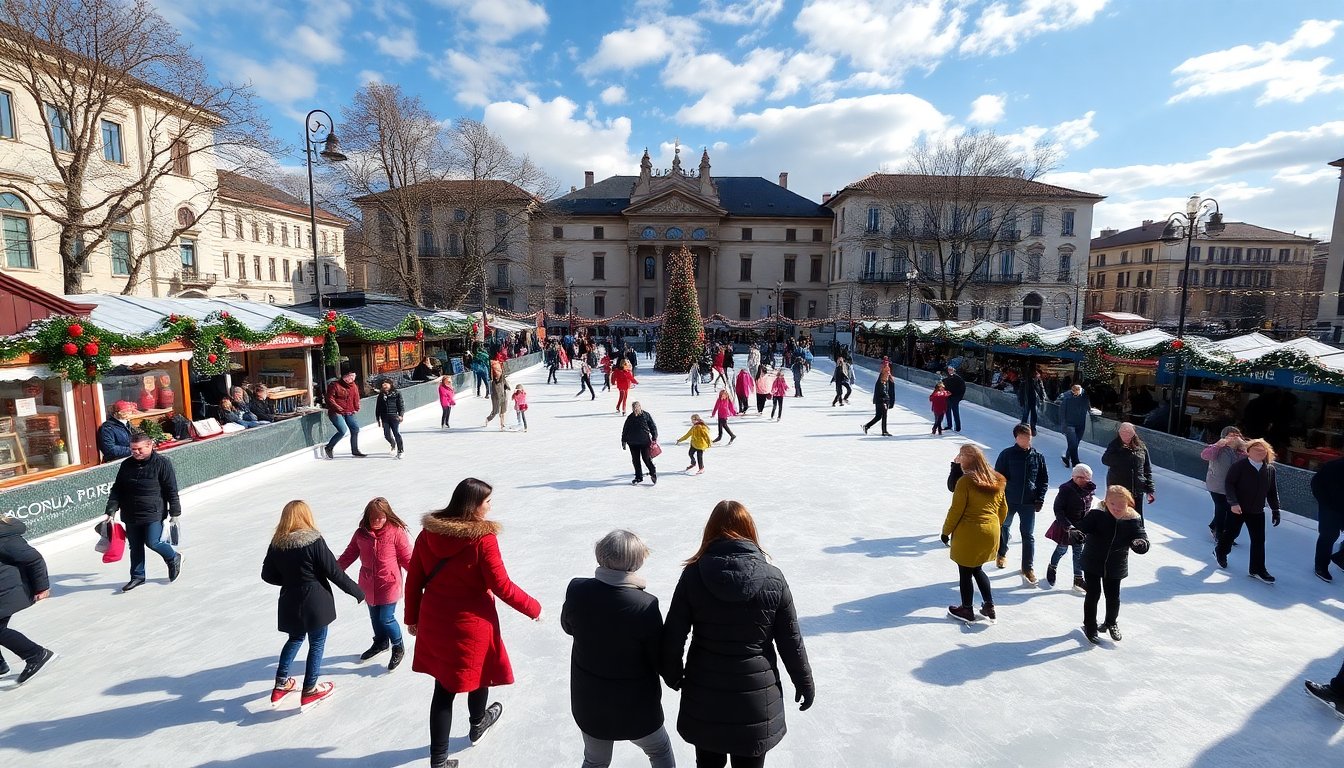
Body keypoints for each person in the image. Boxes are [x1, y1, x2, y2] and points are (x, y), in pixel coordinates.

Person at [661, 501, 814, 767]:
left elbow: (673, 635)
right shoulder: (773, 578)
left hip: (705, 698)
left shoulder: (693, 576)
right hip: (755, 700)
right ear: (750, 530)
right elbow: (791, 641)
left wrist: (673, 674)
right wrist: (804, 681)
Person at [405, 478, 541, 768]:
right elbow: (501, 585)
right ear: (474, 505)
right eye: (487, 501)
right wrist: (533, 607)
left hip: (434, 619)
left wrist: (411, 617)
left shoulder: (428, 532)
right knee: (480, 673)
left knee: (443, 689)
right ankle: (477, 724)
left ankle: (438, 760)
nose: (491, 506)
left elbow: (414, 579)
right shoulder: (482, 539)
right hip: (470, 624)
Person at [563, 529, 673, 768]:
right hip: (636, 706)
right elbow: (657, 657)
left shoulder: (577, 589)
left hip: (590, 703)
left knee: (595, 761)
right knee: (659, 750)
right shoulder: (645, 604)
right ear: (634, 564)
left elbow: (568, 627)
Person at [261, 500, 365, 710]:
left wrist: (291, 580)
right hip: (315, 601)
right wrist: (357, 591)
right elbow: (333, 572)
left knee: (295, 638)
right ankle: (309, 689)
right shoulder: (314, 541)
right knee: (316, 643)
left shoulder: (277, 544)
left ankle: (281, 684)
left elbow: (267, 575)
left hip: (290, 601)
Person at [337, 497, 412, 671]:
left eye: (381, 517)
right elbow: (349, 555)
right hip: (368, 583)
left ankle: (398, 646)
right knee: (374, 617)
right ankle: (380, 642)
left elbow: (407, 558)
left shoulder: (395, 532)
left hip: (389, 584)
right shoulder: (361, 534)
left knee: (386, 618)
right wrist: (334, 570)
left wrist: (421, 577)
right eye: (373, 517)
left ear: (387, 515)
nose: (377, 520)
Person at [1070, 485, 1150, 644]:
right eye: (1113, 504)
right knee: (1093, 594)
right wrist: (1076, 533)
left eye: (1121, 504)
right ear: (1106, 502)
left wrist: (1140, 543)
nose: (1117, 508)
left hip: (1116, 563)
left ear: (1128, 504)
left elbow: (1141, 536)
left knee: (1113, 596)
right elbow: (1082, 527)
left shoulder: (1133, 520)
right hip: (1093, 561)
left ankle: (1111, 622)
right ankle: (1090, 626)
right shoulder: (1097, 514)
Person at [104, 431, 182, 592]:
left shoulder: (162, 463)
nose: (136, 452)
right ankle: (137, 576)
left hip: (153, 511)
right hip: (130, 512)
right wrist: (111, 509)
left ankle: (173, 557)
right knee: (135, 546)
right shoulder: (126, 464)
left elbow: (171, 489)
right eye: (133, 449)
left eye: (139, 449)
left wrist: (175, 512)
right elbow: (117, 488)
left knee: (153, 542)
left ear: (150, 445)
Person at [941, 445, 1008, 623]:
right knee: (977, 569)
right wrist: (993, 526)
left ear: (966, 460)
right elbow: (1003, 509)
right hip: (992, 531)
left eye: (961, 456)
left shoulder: (965, 482)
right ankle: (989, 606)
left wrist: (945, 531)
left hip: (969, 533)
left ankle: (967, 610)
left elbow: (956, 510)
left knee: (965, 572)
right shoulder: (997, 479)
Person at [1216, 438, 1281, 583]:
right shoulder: (1239, 466)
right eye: (1256, 449)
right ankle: (1220, 551)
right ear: (1248, 451)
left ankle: (1257, 569)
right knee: (1232, 533)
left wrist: (1276, 509)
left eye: (1262, 449)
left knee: (1259, 540)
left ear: (1267, 452)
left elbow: (1272, 491)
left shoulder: (1269, 470)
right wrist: (1233, 503)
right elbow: (1229, 484)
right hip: (1238, 508)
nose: (1259, 451)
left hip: (1257, 511)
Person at [0, 514, 54, 686]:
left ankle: (36, 654)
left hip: (7, 587)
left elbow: (33, 559)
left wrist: (42, 587)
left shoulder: (3, 536)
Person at [994, 424, 1049, 585]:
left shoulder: (1037, 457)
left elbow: (1043, 479)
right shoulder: (1007, 454)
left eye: (1029, 437)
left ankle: (1027, 567)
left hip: (1028, 503)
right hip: (1009, 500)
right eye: (1023, 437)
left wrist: (1040, 498)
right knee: (1004, 526)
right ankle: (1002, 553)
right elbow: (998, 478)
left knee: (1028, 535)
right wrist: (999, 497)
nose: (1027, 440)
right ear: (1016, 437)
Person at [1048, 463, 1095, 592]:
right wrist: (1068, 526)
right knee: (1061, 549)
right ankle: (1052, 567)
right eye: (1084, 478)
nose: (1087, 481)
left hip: (1080, 528)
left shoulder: (1089, 489)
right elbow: (1058, 509)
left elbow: (1087, 508)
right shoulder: (1066, 489)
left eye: (1088, 478)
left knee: (1078, 553)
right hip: (1066, 526)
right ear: (1076, 477)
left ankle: (1078, 579)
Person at [1102, 422, 1155, 519]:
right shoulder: (1114, 445)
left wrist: (1149, 489)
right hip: (1119, 488)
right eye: (1122, 431)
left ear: (1133, 433)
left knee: (1136, 517)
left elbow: (1147, 468)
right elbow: (1105, 460)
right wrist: (1122, 453)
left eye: (1128, 432)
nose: (1125, 434)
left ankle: (1137, 534)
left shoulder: (1141, 447)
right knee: (1117, 516)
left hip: (1137, 488)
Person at [1202, 426, 1246, 543]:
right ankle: (1219, 533)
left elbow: (1252, 460)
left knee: (1229, 509)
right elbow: (1205, 455)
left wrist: (1245, 447)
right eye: (1230, 436)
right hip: (1216, 485)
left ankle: (1216, 527)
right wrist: (1218, 445)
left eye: (1236, 436)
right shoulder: (1217, 448)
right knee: (1221, 507)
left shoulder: (1241, 452)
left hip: (1232, 487)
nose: (1233, 438)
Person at [1310, 455, 1344, 583]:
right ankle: (1321, 566)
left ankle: (1341, 558)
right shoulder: (1334, 466)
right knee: (1329, 536)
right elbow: (1316, 483)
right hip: (1330, 508)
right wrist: (1325, 503)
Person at [324, 371, 366, 459]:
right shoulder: (335, 385)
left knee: (355, 429)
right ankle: (329, 447)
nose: (351, 379)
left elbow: (356, 397)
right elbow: (329, 398)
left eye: (353, 377)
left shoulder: (353, 386)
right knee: (342, 430)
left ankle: (355, 450)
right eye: (349, 376)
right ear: (344, 377)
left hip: (349, 411)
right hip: (336, 412)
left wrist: (356, 407)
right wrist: (337, 407)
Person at [621, 402, 658, 485]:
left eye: (636, 407)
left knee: (646, 459)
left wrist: (654, 436)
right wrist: (623, 441)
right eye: (634, 407)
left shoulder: (646, 415)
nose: (635, 409)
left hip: (644, 442)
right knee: (636, 461)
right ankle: (638, 477)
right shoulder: (630, 417)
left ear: (640, 407)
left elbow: (652, 426)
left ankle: (653, 472)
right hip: (632, 443)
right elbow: (625, 430)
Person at [1058, 384, 1091, 468]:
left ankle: (1067, 457)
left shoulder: (1085, 397)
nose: (1075, 394)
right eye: (1074, 393)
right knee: (1073, 443)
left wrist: (1090, 410)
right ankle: (1075, 462)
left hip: (1080, 423)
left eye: (1077, 393)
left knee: (1075, 443)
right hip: (1070, 424)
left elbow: (1087, 406)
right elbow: (1062, 412)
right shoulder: (1067, 397)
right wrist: (1064, 425)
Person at [375, 379, 406, 458]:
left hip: (394, 416)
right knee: (387, 435)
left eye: (386, 385)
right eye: (383, 385)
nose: (384, 386)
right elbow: (378, 408)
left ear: (390, 384)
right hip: (384, 417)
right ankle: (392, 443)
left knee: (396, 433)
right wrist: (378, 419)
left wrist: (401, 415)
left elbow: (401, 405)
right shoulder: (381, 395)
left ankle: (400, 450)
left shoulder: (397, 393)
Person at [862, 367, 895, 436]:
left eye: (889, 372)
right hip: (881, 401)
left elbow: (889, 390)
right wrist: (885, 401)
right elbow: (881, 393)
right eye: (887, 372)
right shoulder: (880, 382)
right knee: (884, 416)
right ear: (883, 373)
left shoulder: (885, 381)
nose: (888, 373)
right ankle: (884, 431)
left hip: (882, 401)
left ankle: (866, 426)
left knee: (878, 416)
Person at [1016, 369, 1047, 435]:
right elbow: (1021, 391)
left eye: (1038, 375)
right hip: (1027, 400)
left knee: (1034, 415)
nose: (1038, 376)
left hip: (1035, 401)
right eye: (1037, 375)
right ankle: (1022, 428)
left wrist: (1043, 397)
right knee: (1025, 414)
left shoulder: (1038, 381)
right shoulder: (1026, 381)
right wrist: (1021, 400)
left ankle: (1033, 428)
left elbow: (1041, 389)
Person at [485, 358, 512, 432]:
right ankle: (488, 419)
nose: (497, 376)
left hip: (503, 396)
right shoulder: (494, 383)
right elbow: (494, 391)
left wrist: (507, 387)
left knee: (503, 410)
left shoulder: (502, 378)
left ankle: (502, 424)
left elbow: (505, 382)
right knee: (495, 411)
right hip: (496, 398)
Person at [941, 367, 965, 432]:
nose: (949, 371)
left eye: (951, 370)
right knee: (947, 411)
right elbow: (943, 387)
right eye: (948, 370)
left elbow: (962, 389)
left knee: (955, 412)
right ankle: (949, 425)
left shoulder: (958, 379)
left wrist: (958, 397)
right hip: (948, 398)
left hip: (955, 398)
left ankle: (957, 427)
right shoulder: (946, 379)